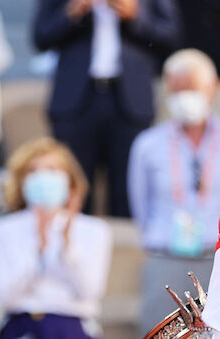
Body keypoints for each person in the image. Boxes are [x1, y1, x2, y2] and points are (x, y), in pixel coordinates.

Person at [33, 0, 181, 217]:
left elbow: (170, 36)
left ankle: (127, 250)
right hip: (76, 102)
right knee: (71, 189)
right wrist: (72, 12)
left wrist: (136, 16)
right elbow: (41, 36)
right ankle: (71, 248)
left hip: (130, 103)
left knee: (128, 193)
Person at [127, 49, 220, 335]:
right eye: (176, 89)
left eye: (191, 88)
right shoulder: (148, 144)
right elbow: (139, 205)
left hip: (216, 259)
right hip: (165, 258)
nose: (184, 97)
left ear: (213, 87)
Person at [0, 137, 112, 339]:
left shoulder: (94, 230)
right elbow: (5, 297)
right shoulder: (4, 229)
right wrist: (38, 249)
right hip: (21, 327)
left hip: (71, 327)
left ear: (69, 179)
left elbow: (90, 292)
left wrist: (67, 247)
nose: (43, 177)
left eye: (52, 169)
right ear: (21, 181)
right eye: (33, 171)